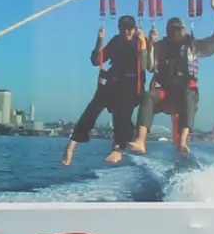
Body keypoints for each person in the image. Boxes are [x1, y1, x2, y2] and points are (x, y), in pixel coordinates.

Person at [134, 0, 214, 157]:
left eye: (178, 29)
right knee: (147, 96)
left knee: (189, 96)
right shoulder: (160, 46)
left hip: (184, 95)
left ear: (184, 30)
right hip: (165, 95)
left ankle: (183, 142)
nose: (175, 33)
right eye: (172, 30)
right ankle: (140, 141)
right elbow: (148, 66)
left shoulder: (194, 46)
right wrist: (148, 43)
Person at [63, 14, 151, 168]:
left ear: (135, 29)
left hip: (131, 87)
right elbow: (96, 61)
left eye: (130, 29)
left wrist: (144, 42)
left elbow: (144, 65)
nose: (127, 33)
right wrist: (99, 40)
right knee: (92, 110)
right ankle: (71, 146)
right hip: (112, 83)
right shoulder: (116, 41)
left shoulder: (139, 42)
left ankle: (117, 149)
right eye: (124, 29)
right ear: (119, 29)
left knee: (122, 113)